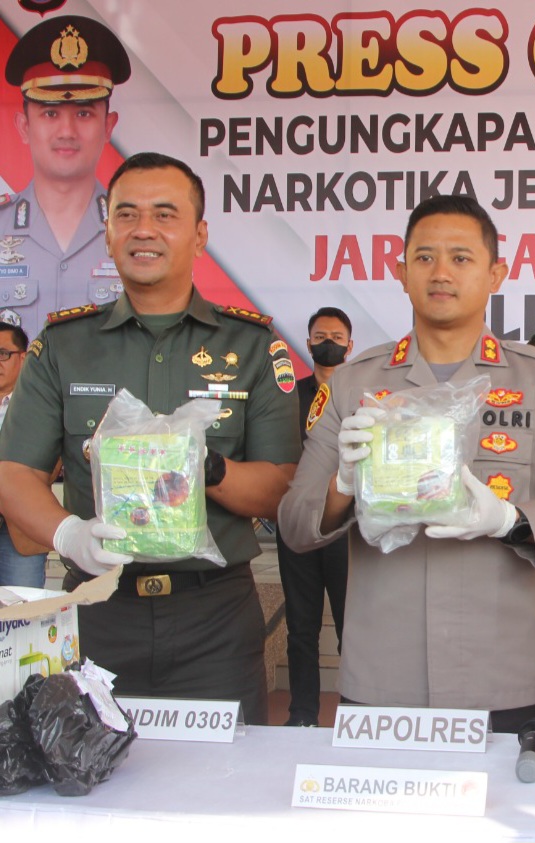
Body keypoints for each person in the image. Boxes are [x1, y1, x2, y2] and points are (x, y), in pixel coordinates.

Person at [277, 195, 535, 732]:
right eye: (425, 257)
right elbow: (295, 525)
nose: (441, 272)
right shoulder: (353, 384)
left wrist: (511, 520)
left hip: (504, 675)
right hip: (383, 679)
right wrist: (343, 485)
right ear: (401, 272)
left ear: (495, 274)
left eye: (461, 258)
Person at [0, 152, 301, 725]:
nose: (144, 229)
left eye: (165, 214)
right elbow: (13, 474)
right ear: (108, 232)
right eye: (127, 214)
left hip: (215, 619)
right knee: (88, 770)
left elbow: (280, 488)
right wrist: (70, 535)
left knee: (224, 774)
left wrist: (206, 467)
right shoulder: (62, 345)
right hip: (96, 613)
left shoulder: (254, 346)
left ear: (199, 235)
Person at [1, 16, 130, 331]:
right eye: (50, 113)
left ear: (108, 126)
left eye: (84, 113)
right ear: (24, 126)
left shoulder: (136, 231)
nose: (67, 131)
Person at [275, 306, 354, 727]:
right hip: (297, 527)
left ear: (350, 346)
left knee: (349, 626)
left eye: (337, 338)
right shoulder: (288, 398)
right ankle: (302, 714)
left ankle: (355, 712)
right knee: (301, 626)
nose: (329, 344)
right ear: (307, 343)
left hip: (345, 528)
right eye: (321, 337)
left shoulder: (359, 397)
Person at [0, 323, 49, 587]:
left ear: (23, 357)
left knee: (23, 608)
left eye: (2, 354)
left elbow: (51, 461)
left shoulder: (42, 403)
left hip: (22, 526)